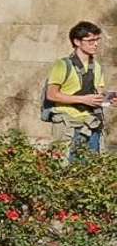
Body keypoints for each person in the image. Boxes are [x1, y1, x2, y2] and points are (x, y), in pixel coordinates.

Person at [44, 21, 109, 161]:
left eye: (97, 39)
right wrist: (83, 99)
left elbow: (98, 95)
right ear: (77, 41)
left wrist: (108, 99)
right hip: (69, 128)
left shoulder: (97, 67)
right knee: (66, 172)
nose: (96, 44)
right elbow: (51, 94)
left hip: (93, 126)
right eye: (91, 40)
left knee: (93, 173)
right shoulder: (62, 65)